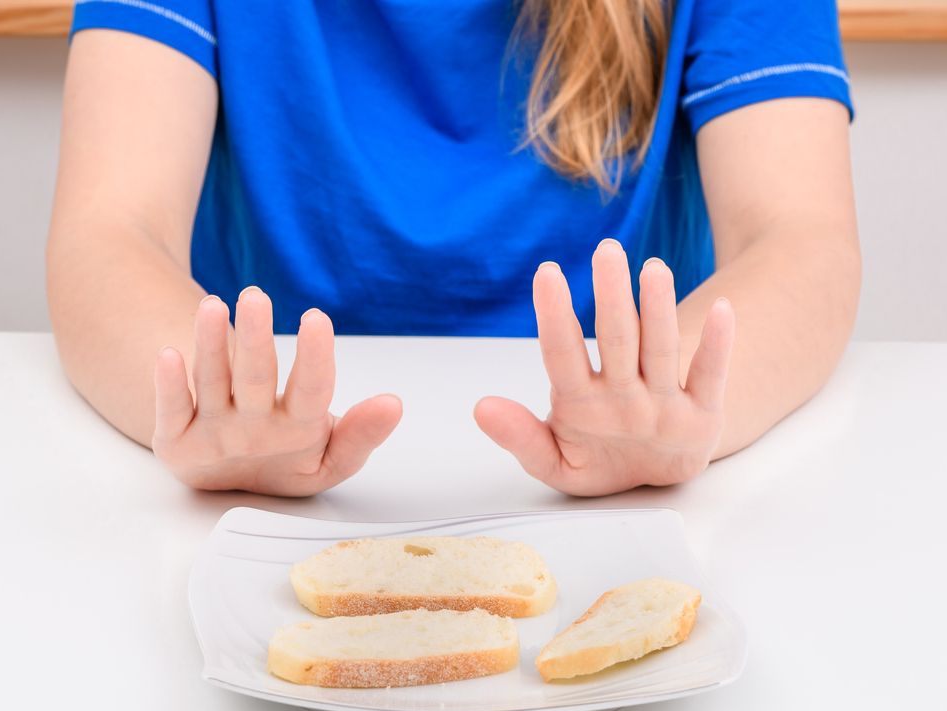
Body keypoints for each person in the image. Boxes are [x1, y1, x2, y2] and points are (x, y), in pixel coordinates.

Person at [46, 0, 859, 497]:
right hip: (261, 518)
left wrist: (671, 409)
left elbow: (801, 237)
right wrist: (217, 409)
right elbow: (109, 231)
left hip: (628, 518)